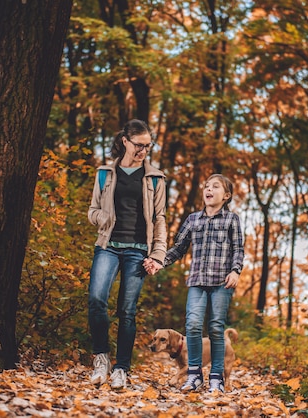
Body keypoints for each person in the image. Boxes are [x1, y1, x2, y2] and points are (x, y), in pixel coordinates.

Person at [87, 119, 167, 390]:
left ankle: (121, 368)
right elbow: (92, 211)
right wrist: (104, 217)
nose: (144, 150)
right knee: (97, 298)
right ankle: (101, 358)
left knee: (127, 310)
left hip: (138, 250)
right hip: (108, 246)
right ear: (125, 141)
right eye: (139, 145)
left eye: (148, 146)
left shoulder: (155, 178)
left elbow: (160, 219)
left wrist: (158, 255)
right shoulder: (105, 174)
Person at [148, 174, 244, 394]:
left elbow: (238, 249)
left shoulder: (232, 220)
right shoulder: (193, 220)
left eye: (215, 186)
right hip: (197, 281)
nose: (209, 189)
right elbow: (179, 248)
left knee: (216, 328)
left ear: (226, 195)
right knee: (192, 325)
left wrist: (235, 271)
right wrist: (159, 261)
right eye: (206, 186)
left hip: (222, 281)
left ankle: (217, 378)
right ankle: (194, 376)